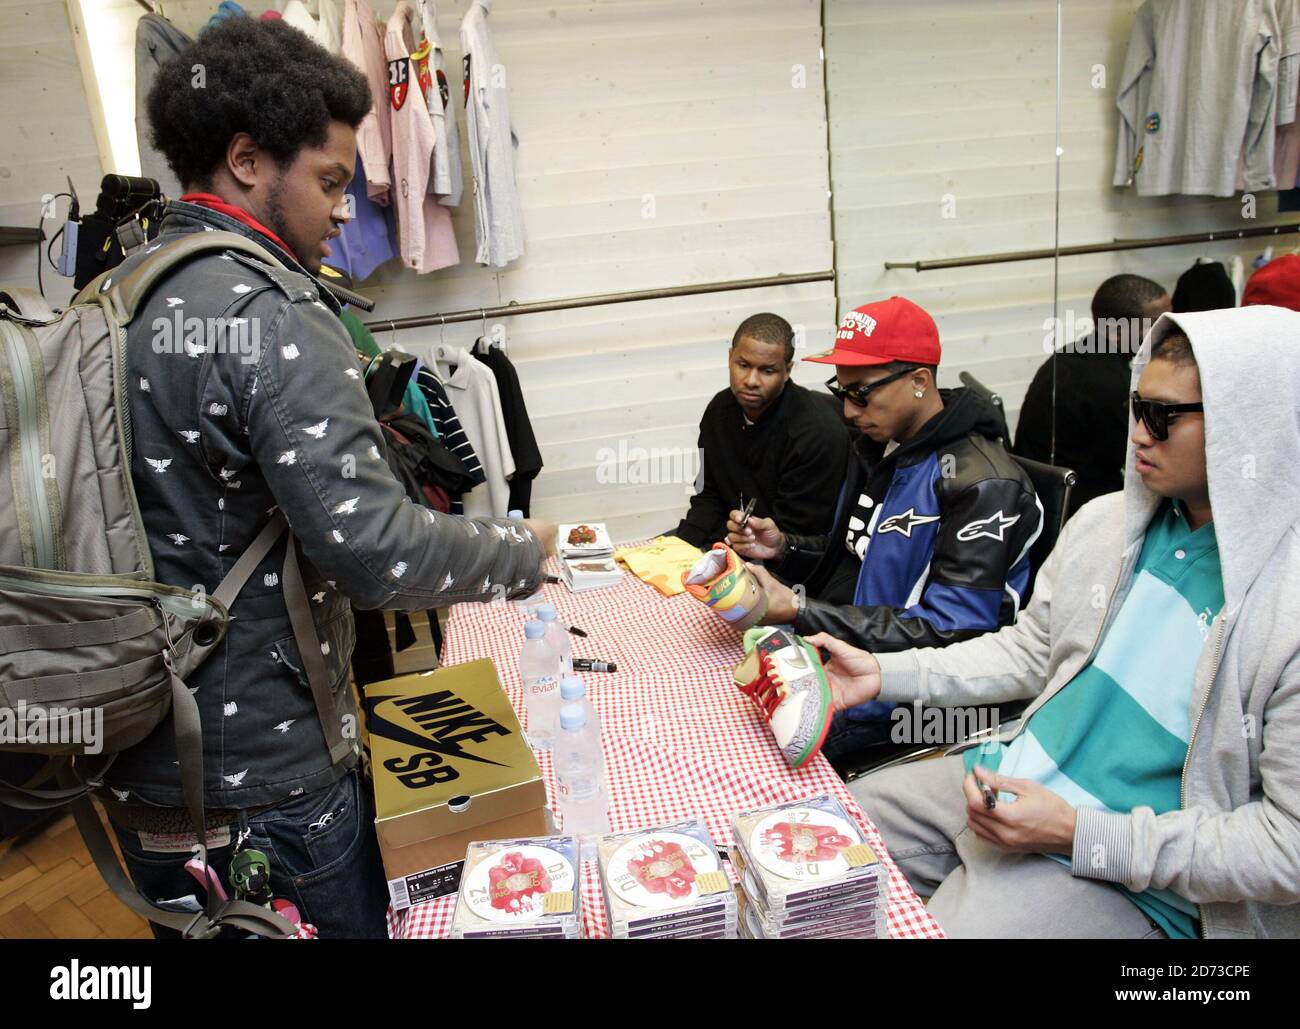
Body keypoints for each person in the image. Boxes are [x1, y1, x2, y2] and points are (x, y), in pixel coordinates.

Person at [101, 19, 551, 938]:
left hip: (136, 761)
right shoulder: (272, 308)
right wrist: (521, 550)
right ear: (245, 159)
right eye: (332, 182)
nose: (347, 212)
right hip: (269, 780)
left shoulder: (119, 287)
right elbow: (375, 552)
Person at [811, 307, 1300, 938]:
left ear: (1251, 422)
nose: (1138, 435)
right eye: (1135, 408)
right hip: (1006, 777)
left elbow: (1285, 849)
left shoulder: (1283, 609)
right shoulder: (1107, 524)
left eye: (1163, 417)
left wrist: (1081, 834)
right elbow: (1028, 651)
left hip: (1139, 876)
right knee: (818, 842)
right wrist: (882, 673)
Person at [726, 297, 1041, 763]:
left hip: (919, 700)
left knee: (745, 760)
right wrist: (785, 550)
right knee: (716, 703)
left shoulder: (983, 483)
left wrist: (801, 609)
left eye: (863, 393)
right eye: (842, 391)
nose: (849, 412)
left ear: (919, 381)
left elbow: (951, 634)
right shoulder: (883, 448)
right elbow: (861, 561)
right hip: (853, 665)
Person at [669, 313, 849, 548]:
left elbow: (795, 533)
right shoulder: (719, 410)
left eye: (767, 371)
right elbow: (709, 494)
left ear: (787, 371)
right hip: (731, 537)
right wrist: (682, 549)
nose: (751, 380)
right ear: (730, 358)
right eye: (743, 365)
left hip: (784, 554)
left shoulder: (816, 432)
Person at [1014, 273, 1170, 517]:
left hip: (1041, 495)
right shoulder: (1110, 384)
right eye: (1157, 324)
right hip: (1075, 508)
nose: (1166, 332)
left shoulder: (1073, 356)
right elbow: (1142, 458)